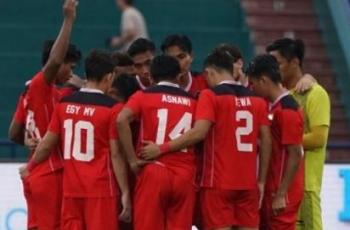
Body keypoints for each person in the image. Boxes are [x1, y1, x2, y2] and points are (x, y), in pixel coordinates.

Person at [140, 50, 272, 230]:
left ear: (210, 72)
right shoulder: (257, 100)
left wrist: (161, 148)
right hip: (248, 182)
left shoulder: (210, 96)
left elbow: (198, 133)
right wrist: (261, 180)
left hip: (217, 182)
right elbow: (266, 141)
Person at [21, 50, 131, 230]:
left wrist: (30, 167)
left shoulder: (65, 104)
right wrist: (125, 192)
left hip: (71, 190)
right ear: (109, 76)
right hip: (101, 190)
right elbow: (116, 155)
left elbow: (47, 143)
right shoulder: (113, 109)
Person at [117, 55, 197, 230]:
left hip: (154, 169)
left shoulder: (143, 96)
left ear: (151, 78)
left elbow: (121, 120)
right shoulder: (193, 101)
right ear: (178, 77)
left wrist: (132, 160)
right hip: (184, 174)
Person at [18, 1, 79, 229]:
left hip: (35, 171)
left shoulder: (50, 93)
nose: (72, 73)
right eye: (70, 67)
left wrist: (27, 138)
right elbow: (54, 61)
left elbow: (14, 131)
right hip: (49, 172)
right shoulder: (40, 86)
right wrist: (69, 19)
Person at [267, 38, 331, 230]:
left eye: (277, 64)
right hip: (285, 185)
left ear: (294, 62)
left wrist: (282, 143)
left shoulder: (315, 94)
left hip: (306, 186)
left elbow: (319, 138)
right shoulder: (283, 97)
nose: (273, 70)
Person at [247, 54, 304, 230]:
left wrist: (281, 194)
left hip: (281, 192)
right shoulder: (272, 106)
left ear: (263, 80)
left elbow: (296, 153)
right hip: (271, 187)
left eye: (253, 83)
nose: (251, 87)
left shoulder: (287, 110)